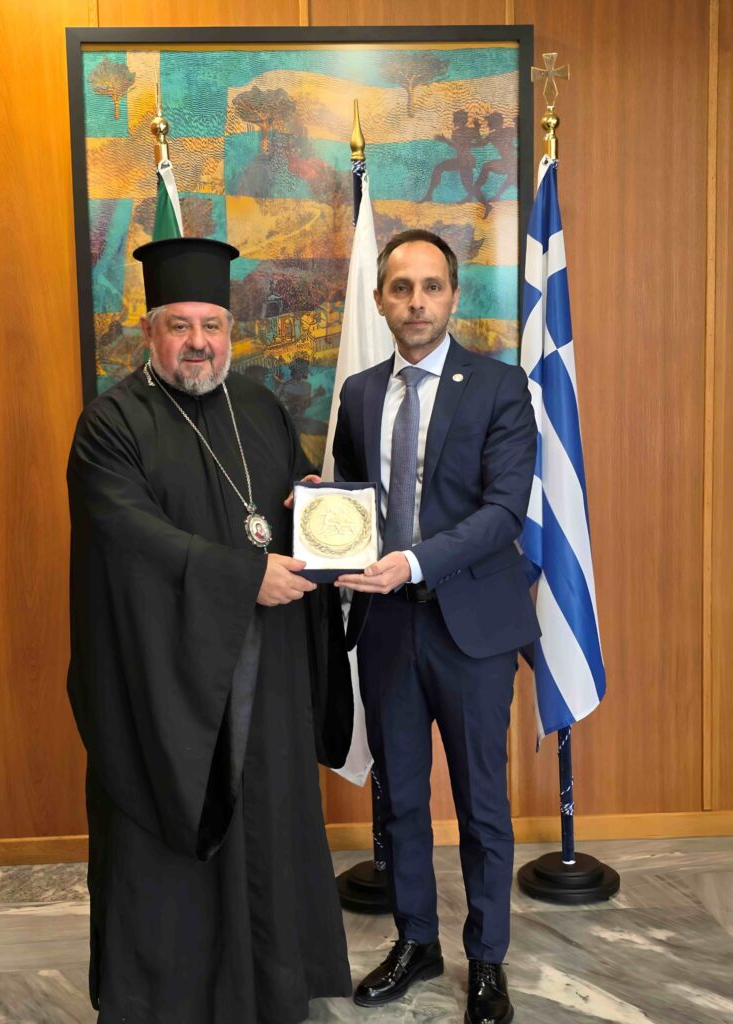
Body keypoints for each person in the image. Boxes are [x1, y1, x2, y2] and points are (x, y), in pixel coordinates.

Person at [67, 236, 353, 1024]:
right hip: (167, 685)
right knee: (166, 847)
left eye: (213, 325)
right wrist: (241, 578)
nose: (198, 342)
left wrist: (314, 508)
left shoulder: (259, 406)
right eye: (180, 325)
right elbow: (129, 538)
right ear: (149, 331)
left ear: (232, 331)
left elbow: (278, 507)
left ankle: (269, 991)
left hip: (269, 673)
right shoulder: (111, 424)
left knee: (269, 829)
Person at [332, 229, 539, 1024]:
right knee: (401, 802)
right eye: (401, 288)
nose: (415, 302)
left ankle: (486, 960)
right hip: (388, 629)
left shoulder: (499, 386)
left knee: (483, 805)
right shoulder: (358, 393)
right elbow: (356, 500)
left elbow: (503, 512)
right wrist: (324, 507)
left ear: (452, 297)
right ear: (381, 299)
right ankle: (416, 941)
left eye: (431, 287)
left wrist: (413, 563)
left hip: (473, 629)